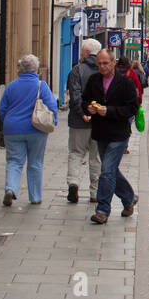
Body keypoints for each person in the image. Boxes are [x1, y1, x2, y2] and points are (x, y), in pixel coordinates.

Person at [83, 49, 139, 224]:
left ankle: (102, 210)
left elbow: (132, 108)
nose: (102, 66)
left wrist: (110, 111)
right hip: (101, 133)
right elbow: (84, 100)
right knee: (111, 171)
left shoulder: (125, 83)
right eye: (99, 63)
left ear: (114, 63)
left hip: (119, 134)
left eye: (105, 63)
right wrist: (88, 109)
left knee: (106, 171)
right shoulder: (93, 81)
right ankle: (129, 198)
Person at [0, 54, 59, 207]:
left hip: (12, 129)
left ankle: (11, 189)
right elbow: (52, 106)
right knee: (35, 163)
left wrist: (8, 122)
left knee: (14, 161)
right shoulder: (41, 86)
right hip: (36, 129)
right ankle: (35, 197)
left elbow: (2, 109)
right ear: (36, 69)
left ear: (20, 68)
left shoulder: (11, 85)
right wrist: (54, 121)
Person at [65, 38, 103, 204]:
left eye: (81, 52)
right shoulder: (104, 71)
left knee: (76, 153)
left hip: (78, 122)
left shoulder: (76, 70)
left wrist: (82, 113)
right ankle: (95, 193)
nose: (80, 55)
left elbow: (75, 95)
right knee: (96, 158)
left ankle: (73, 182)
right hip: (98, 121)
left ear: (86, 53)